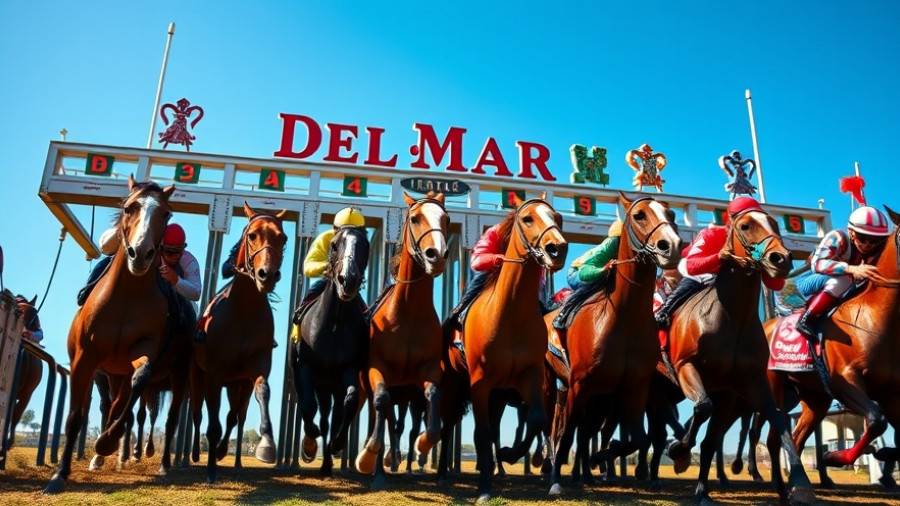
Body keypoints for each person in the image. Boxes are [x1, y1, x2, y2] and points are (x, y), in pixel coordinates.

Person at [654, 196, 785, 341]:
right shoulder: (711, 234)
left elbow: (776, 285)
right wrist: (719, 257)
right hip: (700, 273)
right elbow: (689, 267)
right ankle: (664, 312)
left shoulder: (759, 248)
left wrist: (775, 261)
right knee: (694, 280)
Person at [794, 205, 891, 342]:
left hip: (838, 290)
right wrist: (852, 269)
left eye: (875, 240)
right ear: (851, 232)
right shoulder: (838, 237)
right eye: (862, 237)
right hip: (804, 285)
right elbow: (818, 264)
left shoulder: (874, 253)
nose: (868, 244)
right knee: (844, 279)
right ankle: (807, 319)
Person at [77, 223, 201, 307]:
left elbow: (196, 293)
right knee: (109, 261)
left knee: (189, 310)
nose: (176, 256)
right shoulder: (148, 249)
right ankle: (88, 289)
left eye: (179, 251)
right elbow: (105, 249)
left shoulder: (189, 261)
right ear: (159, 247)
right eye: (170, 252)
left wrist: (176, 281)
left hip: (174, 301)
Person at [291, 207, 366, 325]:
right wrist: (327, 267)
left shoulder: (360, 242)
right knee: (304, 304)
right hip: (327, 282)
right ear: (334, 229)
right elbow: (308, 266)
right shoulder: (325, 238)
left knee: (367, 315)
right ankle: (297, 332)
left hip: (350, 284)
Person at [551, 220, 622, 329]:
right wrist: (603, 269)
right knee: (590, 289)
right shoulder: (606, 248)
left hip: (597, 274)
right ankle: (563, 315)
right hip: (577, 273)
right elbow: (584, 273)